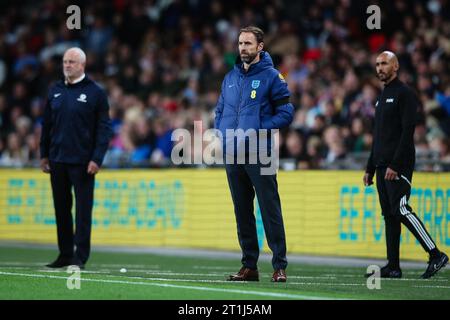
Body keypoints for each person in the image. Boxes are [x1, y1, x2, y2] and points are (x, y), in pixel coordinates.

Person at [214, 26, 294, 282]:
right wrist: (222, 134)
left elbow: (286, 113)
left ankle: (279, 265)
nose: (243, 48)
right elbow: (219, 111)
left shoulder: (273, 77)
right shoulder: (230, 78)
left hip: (261, 152)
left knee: (269, 208)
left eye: (248, 43)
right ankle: (249, 266)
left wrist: (259, 129)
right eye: (240, 43)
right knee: (242, 211)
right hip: (233, 153)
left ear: (260, 47)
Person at [364, 51, 448, 279]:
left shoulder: (405, 94)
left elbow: (407, 132)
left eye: (384, 63)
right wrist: (370, 167)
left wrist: (396, 164)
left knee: (400, 209)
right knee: (390, 216)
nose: (380, 67)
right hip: (381, 167)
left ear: (396, 66)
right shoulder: (381, 97)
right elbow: (378, 136)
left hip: (396, 166)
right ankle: (393, 266)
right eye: (377, 64)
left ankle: (436, 254)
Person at [40, 47, 112, 269]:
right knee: (61, 209)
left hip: (83, 162)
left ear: (82, 65)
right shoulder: (55, 90)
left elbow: (104, 129)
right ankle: (64, 253)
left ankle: (80, 256)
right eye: (64, 61)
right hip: (57, 159)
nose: (67, 65)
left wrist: (97, 158)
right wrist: (44, 154)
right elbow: (47, 125)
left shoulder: (95, 93)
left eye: (71, 61)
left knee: (82, 212)